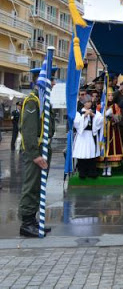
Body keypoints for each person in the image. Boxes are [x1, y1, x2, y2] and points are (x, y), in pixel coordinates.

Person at [18, 69, 56, 238]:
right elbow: (28, 130)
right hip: (35, 150)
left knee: (38, 187)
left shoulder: (44, 100)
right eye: (51, 80)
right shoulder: (32, 101)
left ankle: (33, 220)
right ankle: (26, 223)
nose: (54, 83)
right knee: (31, 186)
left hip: (44, 148)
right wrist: (34, 154)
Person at [73, 97, 104, 179]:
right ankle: (82, 172)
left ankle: (92, 172)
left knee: (91, 153)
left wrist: (93, 115)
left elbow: (101, 120)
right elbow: (76, 123)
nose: (89, 104)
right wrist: (84, 116)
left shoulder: (95, 112)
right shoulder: (79, 113)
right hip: (82, 135)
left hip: (91, 134)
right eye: (87, 102)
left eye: (90, 102)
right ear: (83, 103)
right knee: (82, 153)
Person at [97, 89, 123, 177]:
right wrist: (104, 116)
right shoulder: (100, 106)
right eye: (108, 95)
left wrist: (112, 116)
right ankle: (103, 169)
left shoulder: (115, 106)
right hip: (102, 130)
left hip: (112, 130)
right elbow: (96, 118)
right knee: (103, 148)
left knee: (111, 149)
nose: (110, 97)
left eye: (111, 95)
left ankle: (109, 169)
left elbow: (119, 118)